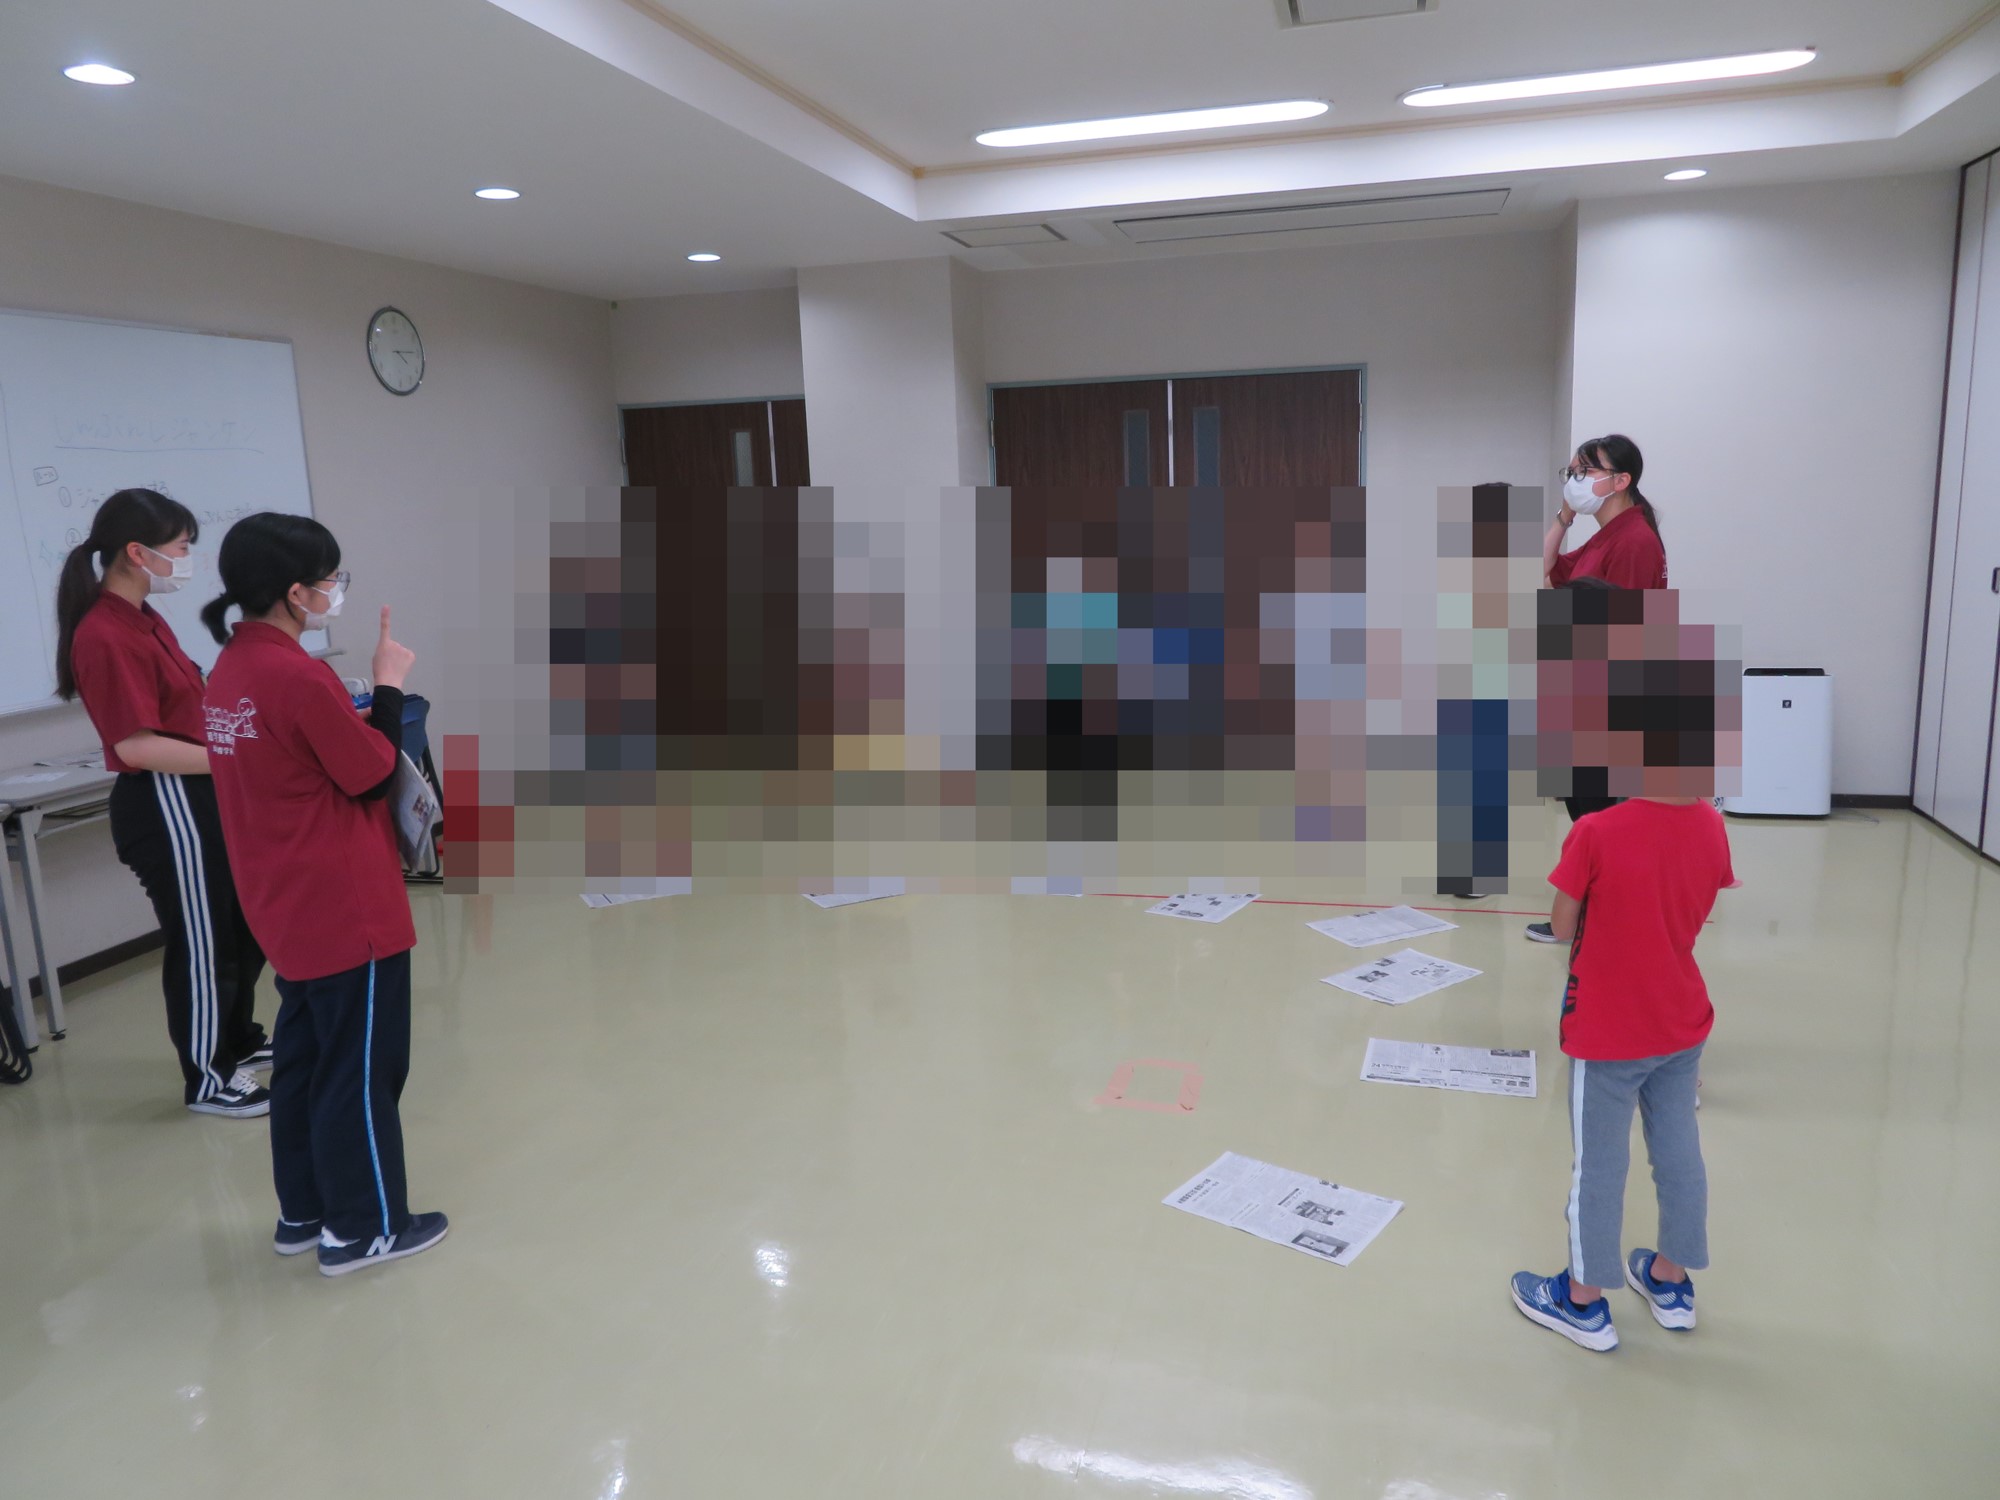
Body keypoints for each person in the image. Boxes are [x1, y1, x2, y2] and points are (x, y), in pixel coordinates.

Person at [200, 513, 447, 1276]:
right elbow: (370, 776)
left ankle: (304, 1213)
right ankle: (364, 1228)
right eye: (329, 579)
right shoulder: (298, 677)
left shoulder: (231, 670)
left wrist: (360, 709)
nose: (335, 590)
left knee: (307, 1066)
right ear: (295, 592)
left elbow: (302, 760)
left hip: (284, 901)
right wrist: (390, 685)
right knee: (362, 1069)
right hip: (346, 907)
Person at [1508, 666, 1736, 1352]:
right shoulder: (1712, 826)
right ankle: (1670, 1279)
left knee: (1600, 1165)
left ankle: (1582, 1300)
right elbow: (1694, 904)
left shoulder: (1596, 831)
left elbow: (1561, 925)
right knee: (1679, 1151)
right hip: (1681, 1021)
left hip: (1609, 1029)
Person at [55, 489, 271, 1116]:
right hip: (167, 802)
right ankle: (208, 1077)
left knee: (241, 926)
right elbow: (136, 745)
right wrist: (236, 759)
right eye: (181, 547)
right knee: (205, 940)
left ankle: (237, 1039)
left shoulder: (143, 616)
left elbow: (187, 705)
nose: (187, 558)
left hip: (201, 793)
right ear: (136, 552)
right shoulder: (104, 633)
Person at [1525, 436, 1670, 943]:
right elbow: (1547, 570)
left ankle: (1600, 910)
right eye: (1571, 472)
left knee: (1599, 811)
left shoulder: (1633, 541)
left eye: (1585, 472)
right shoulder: (1608, 534)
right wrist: (1564, 518)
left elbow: (1623, 632)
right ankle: (1595, 904)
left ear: (1621, 481)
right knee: (1586, 806)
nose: (1575, 480)